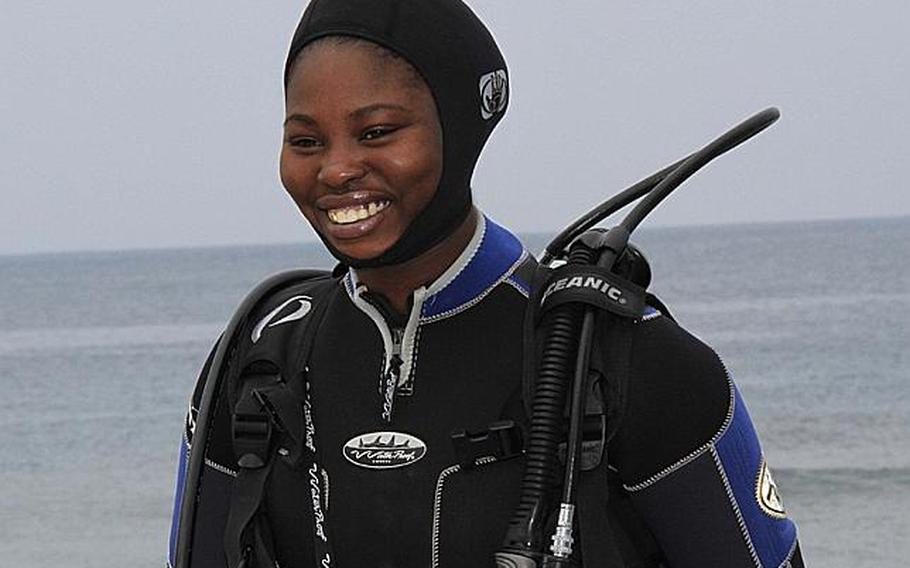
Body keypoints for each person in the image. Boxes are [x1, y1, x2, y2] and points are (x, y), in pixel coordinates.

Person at [168, 1, 804, 567]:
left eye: (377, 132)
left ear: (461, 126)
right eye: (306, 140)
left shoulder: (626, 360)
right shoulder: (258, 363)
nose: (335, 169)